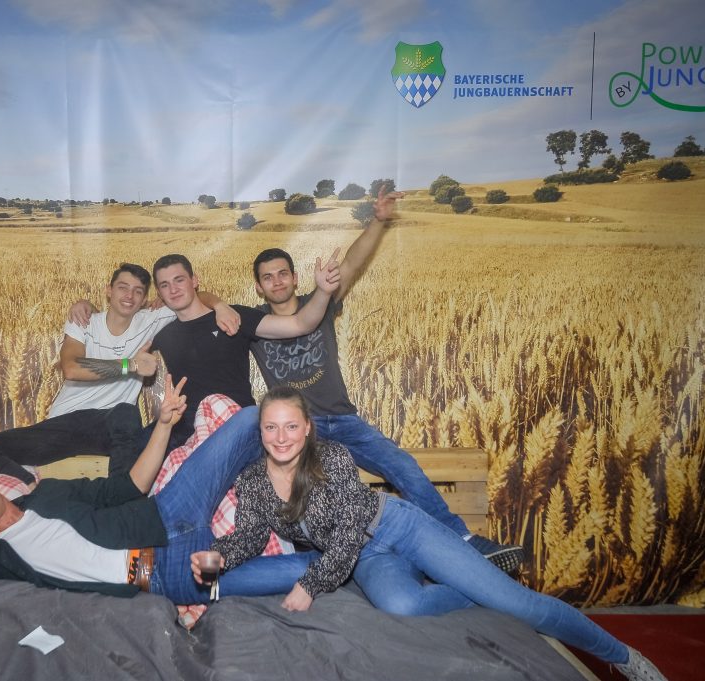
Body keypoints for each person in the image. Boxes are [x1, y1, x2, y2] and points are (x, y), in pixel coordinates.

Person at [190, 386, 667, 681]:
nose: (280, 437)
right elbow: (250, 536)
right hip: (367, 559)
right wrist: (219, 554)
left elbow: (350, 528)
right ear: (260, 432)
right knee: (403, 605)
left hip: (398, 527)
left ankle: (624, 656)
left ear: (308, 428)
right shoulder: (253, 480)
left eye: (291, 426)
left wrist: (310, 585)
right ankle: (479, 582)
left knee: (522, 606)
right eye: (271, 428)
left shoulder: (331, 457)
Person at [248, 189, 523, 572]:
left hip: (343, 420)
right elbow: (208, 303)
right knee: (315, 490)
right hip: (301, 432)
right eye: (267, 278)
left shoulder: (319, 302)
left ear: (294, 278)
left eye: (282, 274)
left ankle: (463, 542)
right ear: (259, 287)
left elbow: (351, 264)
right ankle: (324, 569)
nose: (276, 282)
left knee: (401, 464)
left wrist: (378, 220)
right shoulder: (254, 323)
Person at [0, 375, 274, 607]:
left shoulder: (48, 493)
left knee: (251, 419)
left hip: (167, 510)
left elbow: (132, 485)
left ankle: (284, 490)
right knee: (291, 573)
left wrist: (163, 424)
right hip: (162, 572)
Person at [0, 262, 239, 478]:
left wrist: (220, 305)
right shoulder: (84, 322)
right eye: (122, 287)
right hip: (64, 424)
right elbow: (72, 368)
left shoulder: (151, 319)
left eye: (138, 291)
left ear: (145, 298)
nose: (129, 296)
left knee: (126, 413)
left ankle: (123, 493)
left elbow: (192, 297)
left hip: (110, 429)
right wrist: (130, 365)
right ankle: (27, 483)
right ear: (109, 290)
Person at [143, 249, 341, 450]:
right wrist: (131, 366)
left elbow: (300, 324)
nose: (173, 290)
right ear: (159, 292)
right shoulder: (161, 330)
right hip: (189, 432)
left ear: (194, 280)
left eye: (179, 280)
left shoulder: (234, 316)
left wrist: (323, 292)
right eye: (165, 285)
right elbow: (124, 359)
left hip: (237, 426)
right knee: (139, 442)